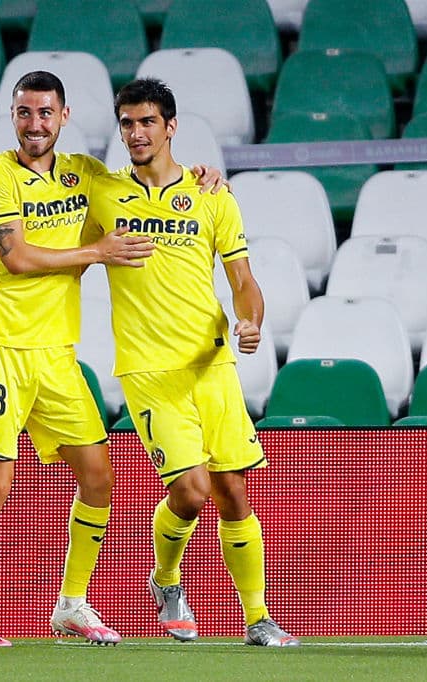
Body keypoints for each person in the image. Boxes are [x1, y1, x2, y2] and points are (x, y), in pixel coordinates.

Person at [0, 70, 223, 647]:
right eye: (24, 113)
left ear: (63, 118)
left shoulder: (85, 176)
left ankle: (71, 603)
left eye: (46, 113)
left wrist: (198, 177)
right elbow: (14, 257)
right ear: (12, 117)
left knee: (99, 478)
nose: (35, 124)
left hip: (56, 355)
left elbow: (141, 189)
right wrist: (95, 251)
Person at [82, 77, 299, 647]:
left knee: (233, 491)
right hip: (149, 371)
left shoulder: (212, 196)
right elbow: (62, 253)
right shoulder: (103, 195)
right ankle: (166, 578)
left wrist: (249, 319)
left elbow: (243, 280)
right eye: (127, 123)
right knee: (195, 490)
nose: (136, 133)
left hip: (212, 363)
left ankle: (257, 618)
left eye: (147, 121)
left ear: (170, 126)